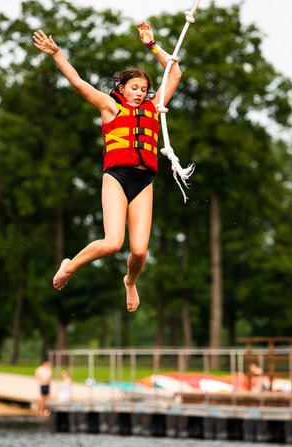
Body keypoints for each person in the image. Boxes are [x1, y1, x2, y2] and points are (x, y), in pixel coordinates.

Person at [33, 21, 182, 312]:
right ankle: (70, 266)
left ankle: (130, 281)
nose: (140, 92)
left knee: (139, 251)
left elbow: (174, 71)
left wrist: (152, 45)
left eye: (144, 89)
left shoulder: (154, 107)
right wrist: (56, 53)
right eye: (134, 88)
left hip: (143, 181)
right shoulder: (109, 107)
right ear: (122, 89)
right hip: (116, 176)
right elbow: (78, 82)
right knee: (114, 242)